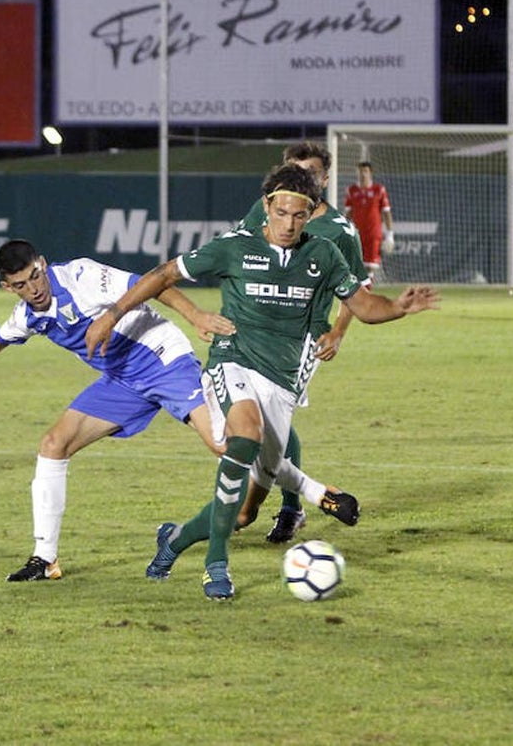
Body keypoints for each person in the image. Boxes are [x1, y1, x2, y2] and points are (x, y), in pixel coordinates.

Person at [85, 164, 440, 600]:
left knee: (242, 514)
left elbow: (364, 306)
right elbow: (162, 275)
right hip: (231, 360)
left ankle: (175, 540)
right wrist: (113, 314)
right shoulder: (234, 248)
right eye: (282, 211)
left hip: (282, 380)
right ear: (267, 206)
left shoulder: (323, 254)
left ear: (309, 214)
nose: (289, 223)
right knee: (246, 434)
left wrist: (399, 307)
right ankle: (216, 566)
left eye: (299, 215)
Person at [0, 239, 235, 582]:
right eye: (21, 284)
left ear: (43, 264)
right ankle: (45, 559)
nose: (34, 288)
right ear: (8, 288)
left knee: (225, 445)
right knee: (54, 444)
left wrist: (196, 315)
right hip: (122, 381)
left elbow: (151, 283)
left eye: (36, 275)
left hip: (163, 359)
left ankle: (290, 490)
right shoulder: (28, 316)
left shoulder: (81, 276)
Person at [234, 141, 372, 543]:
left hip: (301, 339)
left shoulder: (339, 231)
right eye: (294, 169)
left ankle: (291, 507)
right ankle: (273, 500)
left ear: (325, 179)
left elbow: (359, 288)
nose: (302, 178)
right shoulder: (263, 211)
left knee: (277, 419)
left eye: (310, 172)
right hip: (254, 330)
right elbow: (238, 252)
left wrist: (338, 331)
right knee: (260, 418)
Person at [344, 160, 395, 280]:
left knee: (370, 267)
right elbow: (348, 214)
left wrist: (390, 235)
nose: (362, 174)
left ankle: (366, 294)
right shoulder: (351, 190)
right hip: (356, 234)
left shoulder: (379, 190)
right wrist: (343, 231)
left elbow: (386, 213)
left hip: (373, 234)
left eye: (365, 171)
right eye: (360, 171)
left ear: (370, 173)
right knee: (355, 266)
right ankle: (358, 295)